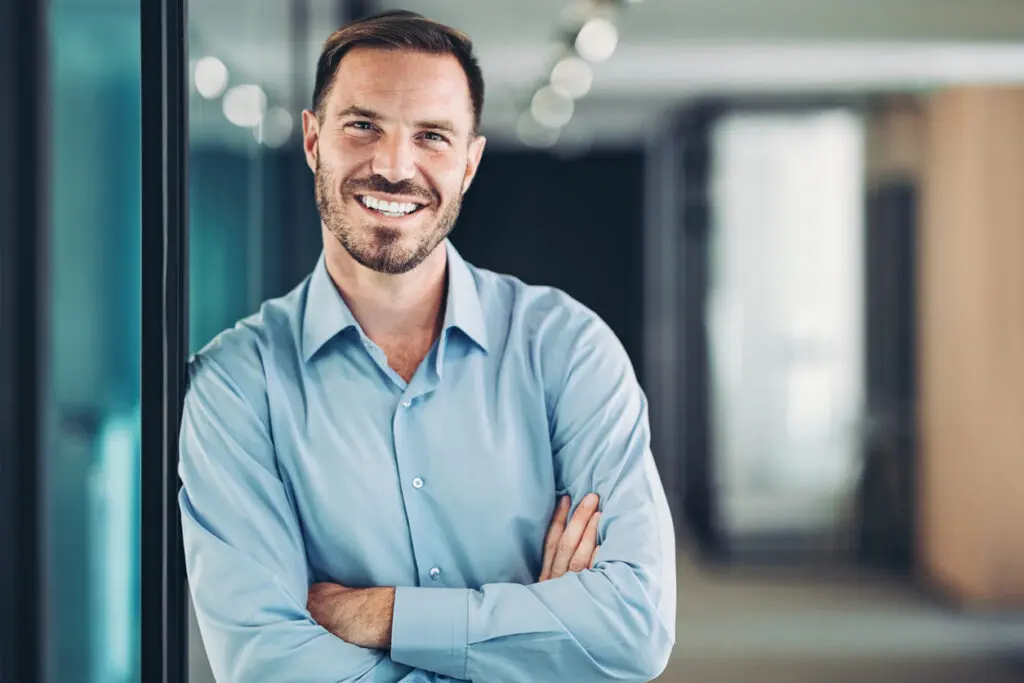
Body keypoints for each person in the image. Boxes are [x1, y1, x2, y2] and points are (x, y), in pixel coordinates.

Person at [179, 10, 675, 683]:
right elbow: (268, 661)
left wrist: (384, 615)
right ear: (312, 140)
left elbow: (632, 627)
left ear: (469, 163)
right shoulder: (236, 383)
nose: (393, 165)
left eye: (432, 136)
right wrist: (536, 634)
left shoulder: (568, 350)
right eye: (362, 126)